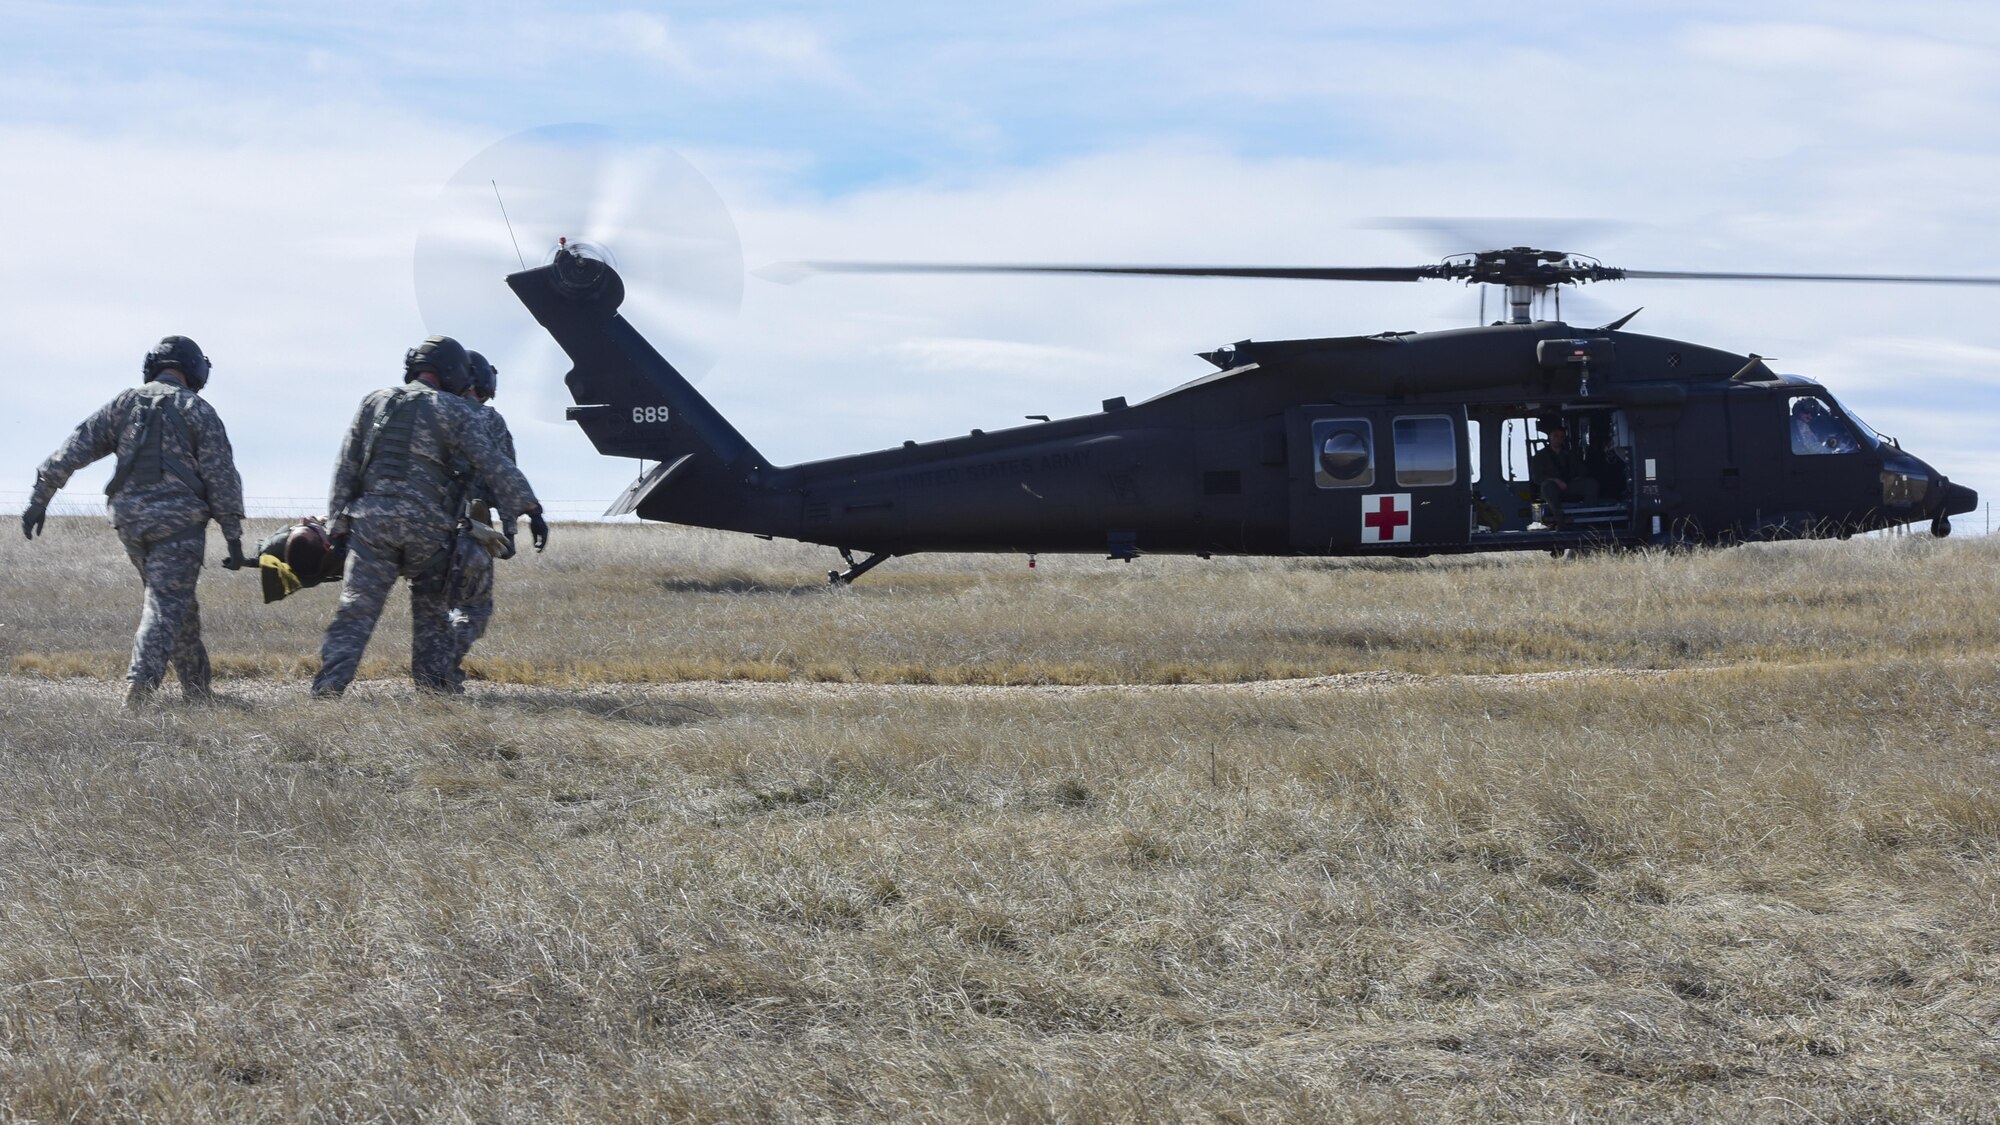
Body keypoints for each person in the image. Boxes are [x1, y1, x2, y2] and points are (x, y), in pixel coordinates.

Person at [312, 336, 547, 697]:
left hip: (372, 526)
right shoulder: (454, 410)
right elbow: (492, 462)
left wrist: (337, 524)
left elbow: (346, 466)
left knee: (355, 610)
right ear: (453, 371)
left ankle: (327, 689)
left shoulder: (373, 402)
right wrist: (531, 508)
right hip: (429, 530)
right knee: (432, 615)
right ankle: (432, 690)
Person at [21, 336, 249, 707]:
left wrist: (40, 496)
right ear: (193, 370)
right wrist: (234, 537)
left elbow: (76, 446)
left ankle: (198, 691)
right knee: (165, 603)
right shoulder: (198, 410)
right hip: (178, 523)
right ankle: (139, 692)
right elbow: (221, 475)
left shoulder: (125, 403)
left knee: (176, 603)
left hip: (130, 523)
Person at [444, 350, 518, 690]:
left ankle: (431, 674)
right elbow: (506, 478)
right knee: (474, 608)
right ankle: (441, 669)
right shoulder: (490, 421)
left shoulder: (431, 412)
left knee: (432, 607)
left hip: (423, 527)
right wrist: (511, 531)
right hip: (469, 531)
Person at [1529, 417, 1598, 528]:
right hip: (1552, 489)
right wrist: (1555, 481)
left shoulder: (1569, 454)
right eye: (1556, 436)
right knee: (1547, 486)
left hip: (1569, 485)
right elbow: (1537, 477)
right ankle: (1559, 518)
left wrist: (1577, 479)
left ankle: (1587, 518)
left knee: (1591, 484)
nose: (1558, 439)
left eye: (1561, 437)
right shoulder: (1540, 456)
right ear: (1550, 436)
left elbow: (1582, 471)